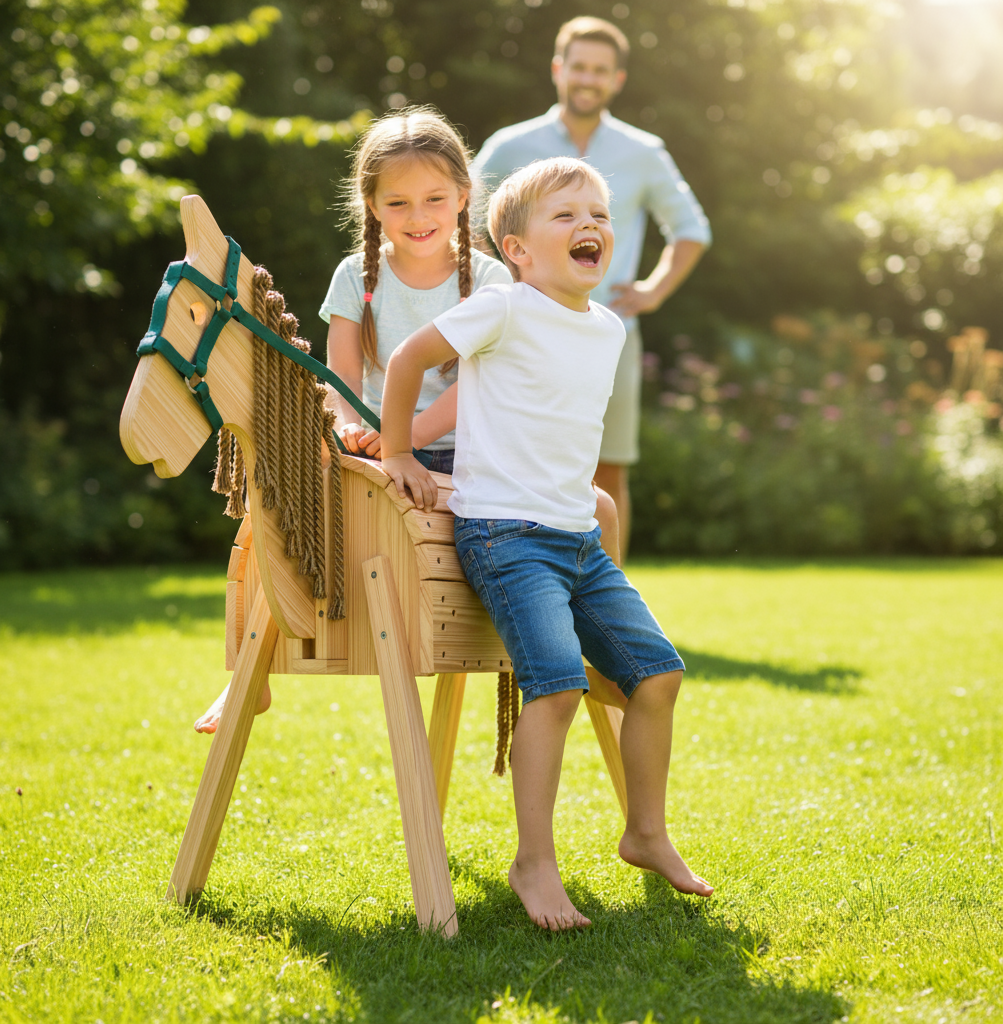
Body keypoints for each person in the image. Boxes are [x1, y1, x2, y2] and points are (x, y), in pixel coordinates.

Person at [193, 108, 621, 733]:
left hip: (465, 452)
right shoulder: (356, 277)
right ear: (371, 206)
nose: (418, 215)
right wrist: (348, 427)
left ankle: (600, 649)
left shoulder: (490, 279)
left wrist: (408, 439)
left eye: (434, 199)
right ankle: (248, 677)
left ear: (463, 198)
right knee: (277, 507)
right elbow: (338, 375)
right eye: (397, 202)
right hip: (371, 444)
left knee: (601, 508)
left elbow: (480, 385)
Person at [379, 157, 713, 931]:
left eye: (598, 214)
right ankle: (533, 862)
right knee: (556, 688)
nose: (588, 225)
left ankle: (646, 834)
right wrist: (398, 451)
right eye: (565, 215)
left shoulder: (607, 328)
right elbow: (408, 359)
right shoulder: (503, 307)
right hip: (505, 537)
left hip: (578, 538)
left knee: (658, 676)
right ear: (518, 250)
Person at [473, 16, 712, 558]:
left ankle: (605, 596)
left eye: (600, 70)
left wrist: (652, 291)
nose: (588, 78)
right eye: (578, 66)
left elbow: (692, 231)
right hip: (519, 334)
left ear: (617, 79)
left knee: (607, 471)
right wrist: (498, 283)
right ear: (558, 69)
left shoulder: (643, 151)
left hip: (611, 334)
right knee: (514, 462)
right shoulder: (511, 146)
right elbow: (463, 219)